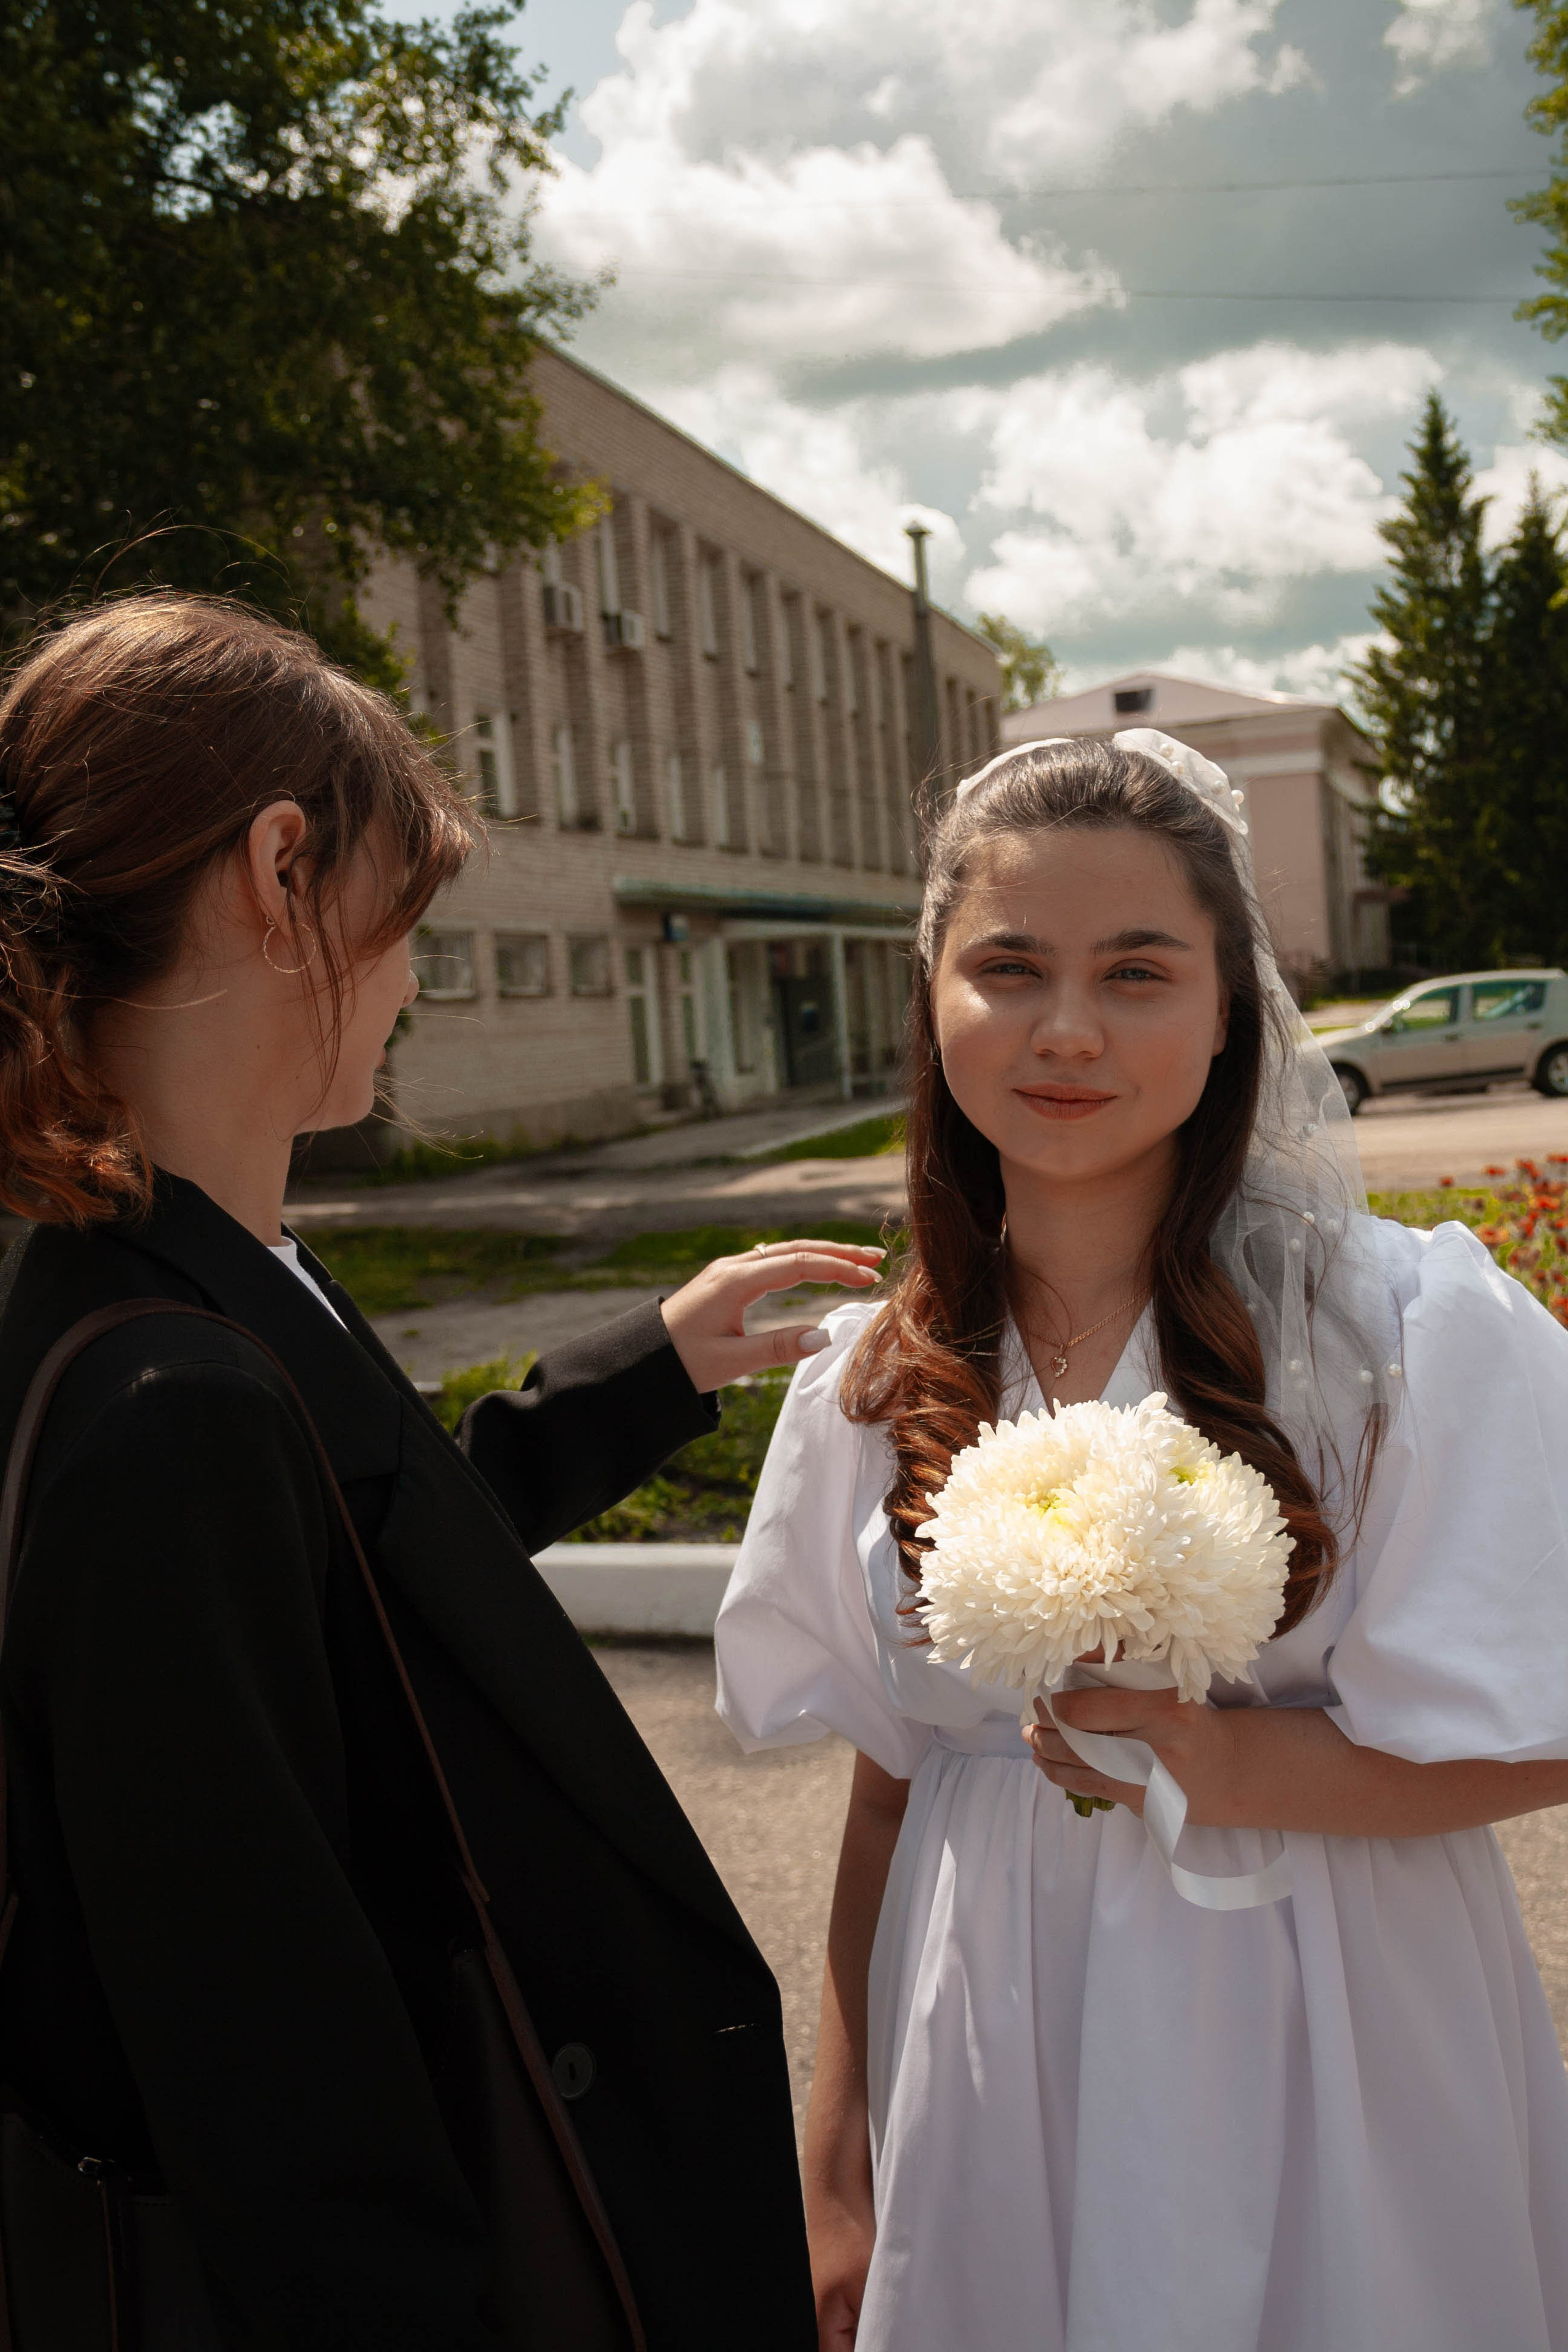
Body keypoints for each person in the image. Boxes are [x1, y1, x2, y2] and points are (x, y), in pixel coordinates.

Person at [0, 592, 880, 2350]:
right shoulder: (165, 1392)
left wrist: (647, 1371)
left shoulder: (184, 1274)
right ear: (278, 869)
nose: (407, 977)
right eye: (409, 915)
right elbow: (268, 2070)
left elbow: (357, 1563)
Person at [715, 730, 1568, 2352]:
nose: (1068, 1030)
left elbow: (1542, 1732)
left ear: (1233, 1003)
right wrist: (836, 2160)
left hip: (1333, 2013)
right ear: (936, 999)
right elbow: (891, 1790)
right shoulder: (871, 1378)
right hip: (993, 2031)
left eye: (1138, 972)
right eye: (1010, 968)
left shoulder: (1407, 1329)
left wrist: (1226, 1770)